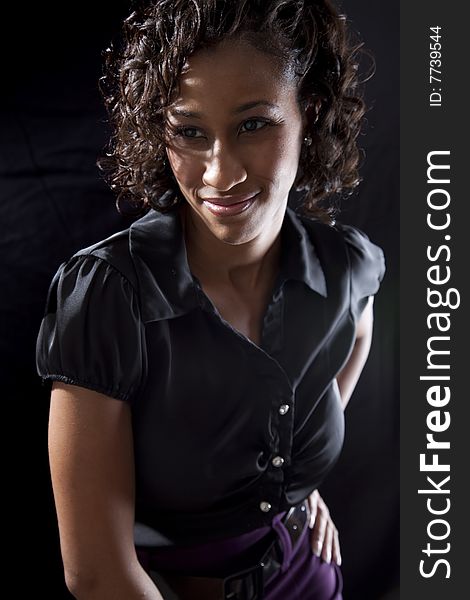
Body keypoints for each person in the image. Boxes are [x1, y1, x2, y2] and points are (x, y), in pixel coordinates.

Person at [35, 1, 386, 598]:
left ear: (312, 110)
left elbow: (357, 334)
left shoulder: (345, 266)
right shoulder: (107, 295)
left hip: (308, 572)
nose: (220, 175)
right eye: (190, 132)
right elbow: (95, 573)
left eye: (253, 124)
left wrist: (294, 480)